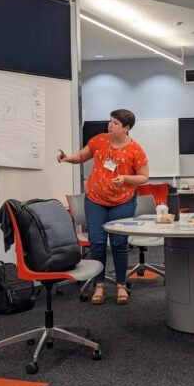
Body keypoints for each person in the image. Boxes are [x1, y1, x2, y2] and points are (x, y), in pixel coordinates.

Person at [57, 109, 149, 305]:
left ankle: (121, 285)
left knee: (119, 244)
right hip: (95, 201)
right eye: (110, 121)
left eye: (115, 123)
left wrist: (125, 178)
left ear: (126, 128)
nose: (110, 126)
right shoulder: (100, 140)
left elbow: (143, 177)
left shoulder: (136, 150)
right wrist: (68, 158)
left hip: (122, 202)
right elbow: (81, 156)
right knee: (97, 243)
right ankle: (99, 286)